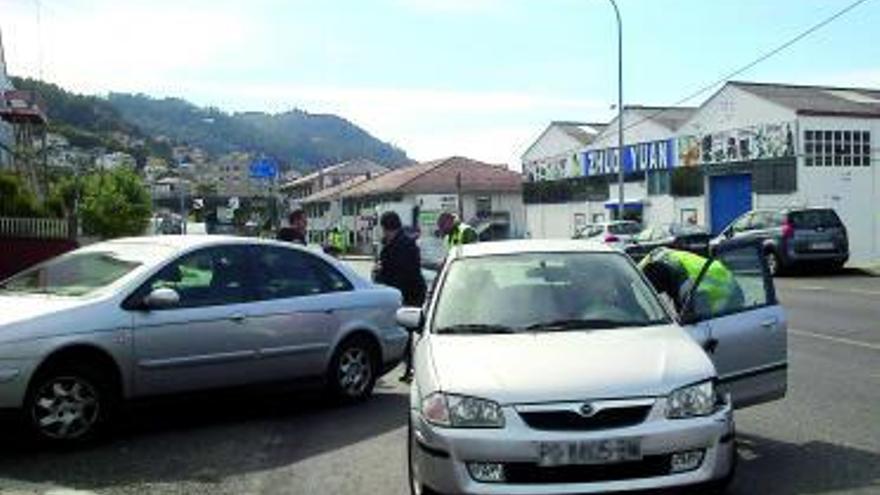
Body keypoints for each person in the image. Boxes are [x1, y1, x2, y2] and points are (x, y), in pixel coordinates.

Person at [374, 211, 427, 383]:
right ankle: (411, 368)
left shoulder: (402, 245)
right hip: (407, 291)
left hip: (408, 293)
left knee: (408, 332)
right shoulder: (397, 242)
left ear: (386, 227)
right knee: (408, 332)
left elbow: (404, 273)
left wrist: (382, 274)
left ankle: (414, 368)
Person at [639, 247, 743, 316]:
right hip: (720, 274)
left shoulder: (687, 287)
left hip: (730, 297)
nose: (661, 293)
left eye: (658, 290)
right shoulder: (657, 257)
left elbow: (695, 318)